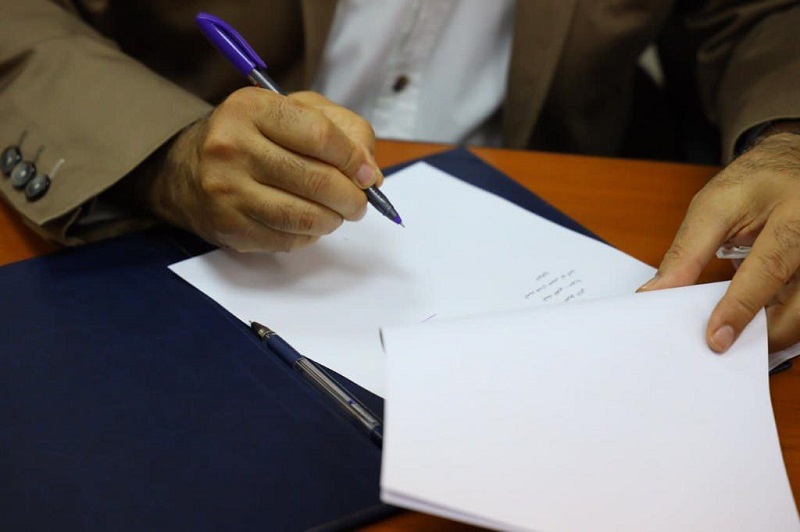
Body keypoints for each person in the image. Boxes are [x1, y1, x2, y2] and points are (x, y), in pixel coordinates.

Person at [1, 0, 799, 355]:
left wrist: (788, 144)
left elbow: (765, 13)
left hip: (541, 186)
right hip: (152, 236)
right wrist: (169, 152)